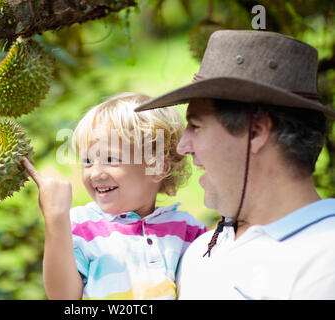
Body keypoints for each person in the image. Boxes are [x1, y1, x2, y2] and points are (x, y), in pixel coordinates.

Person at [135, 30, 335, 299]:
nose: (182, 147)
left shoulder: (325, 256)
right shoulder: (200, 250)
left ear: (255, 132)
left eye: (195, 126)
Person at [23, 92, 207, 299]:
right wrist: (56, 219)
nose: (95, 173)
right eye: (88, 161)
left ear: (156, 167)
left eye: (110, 159)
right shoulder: (82, 226)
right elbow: (62, 297)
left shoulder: (189, 231)